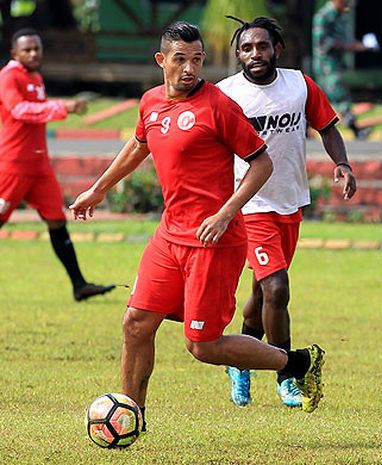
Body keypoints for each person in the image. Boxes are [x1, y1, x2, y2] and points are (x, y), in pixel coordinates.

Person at [69, 21, 326, 427]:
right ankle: (129, 418)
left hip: (215, 240)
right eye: (180, 60)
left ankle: (296, 362)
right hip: (169, 237)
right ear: (161, 61)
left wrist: (226, 213)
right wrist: (99, 189)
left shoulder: (218, 105)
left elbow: (262, 162)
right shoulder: (151, 102)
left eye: (197, 60)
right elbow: (139, 145)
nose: (189, 69)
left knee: (203, 345)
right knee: (136, 322)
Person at [217, 16, 356, 408]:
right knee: (277, 289)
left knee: (263, 292)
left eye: (262, 46)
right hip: (250, 205)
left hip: (290, 202)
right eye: (246, 48)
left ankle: (239, 361)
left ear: (277, 48)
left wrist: (342, 164)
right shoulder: (226, 94)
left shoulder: (298, 84)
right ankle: (287, 374)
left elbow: (327, 127)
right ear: (238, 54)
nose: (255, 54)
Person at [0, 28, 114, 302]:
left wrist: (60, 106)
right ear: (15, 53)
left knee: (56, 220)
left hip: (39, 166)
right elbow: (19, 111)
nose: (33, 54)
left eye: (37, 49)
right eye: (27, 50)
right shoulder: (8, 76)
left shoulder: (35, 77)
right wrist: (63, 107)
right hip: (13, 164)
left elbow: (34, 108)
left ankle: (79, 285)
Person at [312, 0, 374, 140]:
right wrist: (348, 46)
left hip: (335, 63)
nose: (348, 5)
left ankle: (304, 129)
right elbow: (322, 42)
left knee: (319, 99)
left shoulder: (340, 16)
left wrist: (358, 45)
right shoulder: (323, 16)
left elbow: (344, 39)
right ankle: (355, 129)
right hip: (326, 65)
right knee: (339, 96)